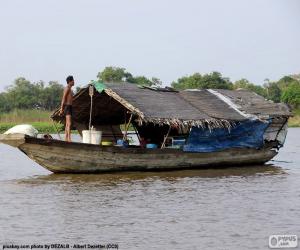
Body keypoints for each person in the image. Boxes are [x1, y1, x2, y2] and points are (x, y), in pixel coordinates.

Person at [59, 75, 74, 142]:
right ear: (70, 81)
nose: (74, 82)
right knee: (69, 123)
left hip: (69, 107)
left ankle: (66, 138)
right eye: (73, 80)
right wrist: (61, 108)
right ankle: (69, 139)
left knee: (68, 123)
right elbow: (63, 98)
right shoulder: (67, 88)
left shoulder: (70, 89)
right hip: (67, 107)